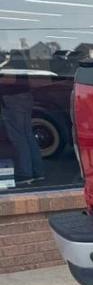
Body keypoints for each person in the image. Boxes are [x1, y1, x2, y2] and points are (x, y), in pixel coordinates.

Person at [0, 50, 45, 186]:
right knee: (27, 135)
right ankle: (37, 172)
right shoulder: (22, 64)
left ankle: (24, 174)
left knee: (19, 137)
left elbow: (10, 80)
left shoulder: (10, 65)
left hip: (13, 100)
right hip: (25, 98)